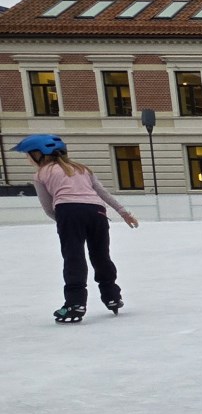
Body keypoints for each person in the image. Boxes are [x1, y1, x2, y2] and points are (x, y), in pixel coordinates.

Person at [12, 134, 139, 322]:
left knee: (74, 257)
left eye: (28, 155)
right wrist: (123, 213)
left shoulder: (41, 174)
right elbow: (102, 193)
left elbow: (48, 207)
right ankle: (112, 296)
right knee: (101, 255)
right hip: (97, 212)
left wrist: (64, 221)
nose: (27, 159)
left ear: (38, 154)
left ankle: (75, 303)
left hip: (68, 211)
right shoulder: (82, 169)